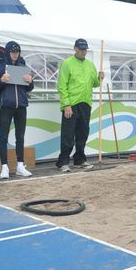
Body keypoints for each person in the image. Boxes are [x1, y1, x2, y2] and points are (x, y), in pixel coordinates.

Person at [56, 38, 104, 172]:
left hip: (86, 103)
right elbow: (61, 85)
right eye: (81, 49)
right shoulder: (67, 64)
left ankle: (79, 159)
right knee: (68, 134)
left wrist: (99, 78)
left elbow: (94, 84)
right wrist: (66, 104)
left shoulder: (90, 65)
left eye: (85, 49)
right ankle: (63, 161)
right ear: (75, 48)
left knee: (83, 133)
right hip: (71, 103)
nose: (83, 52)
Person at [0, 41, 34, 179]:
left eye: (17, 52)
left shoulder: (23, 66)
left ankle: (20, 165)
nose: (15, 54)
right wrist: (2, 80)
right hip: (6, 106)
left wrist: (30, 81)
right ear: (8, 52)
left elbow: (29, 88)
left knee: (20, 137)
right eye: (12, 52)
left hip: (21, 106)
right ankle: (4, 167)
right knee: (3, 137)